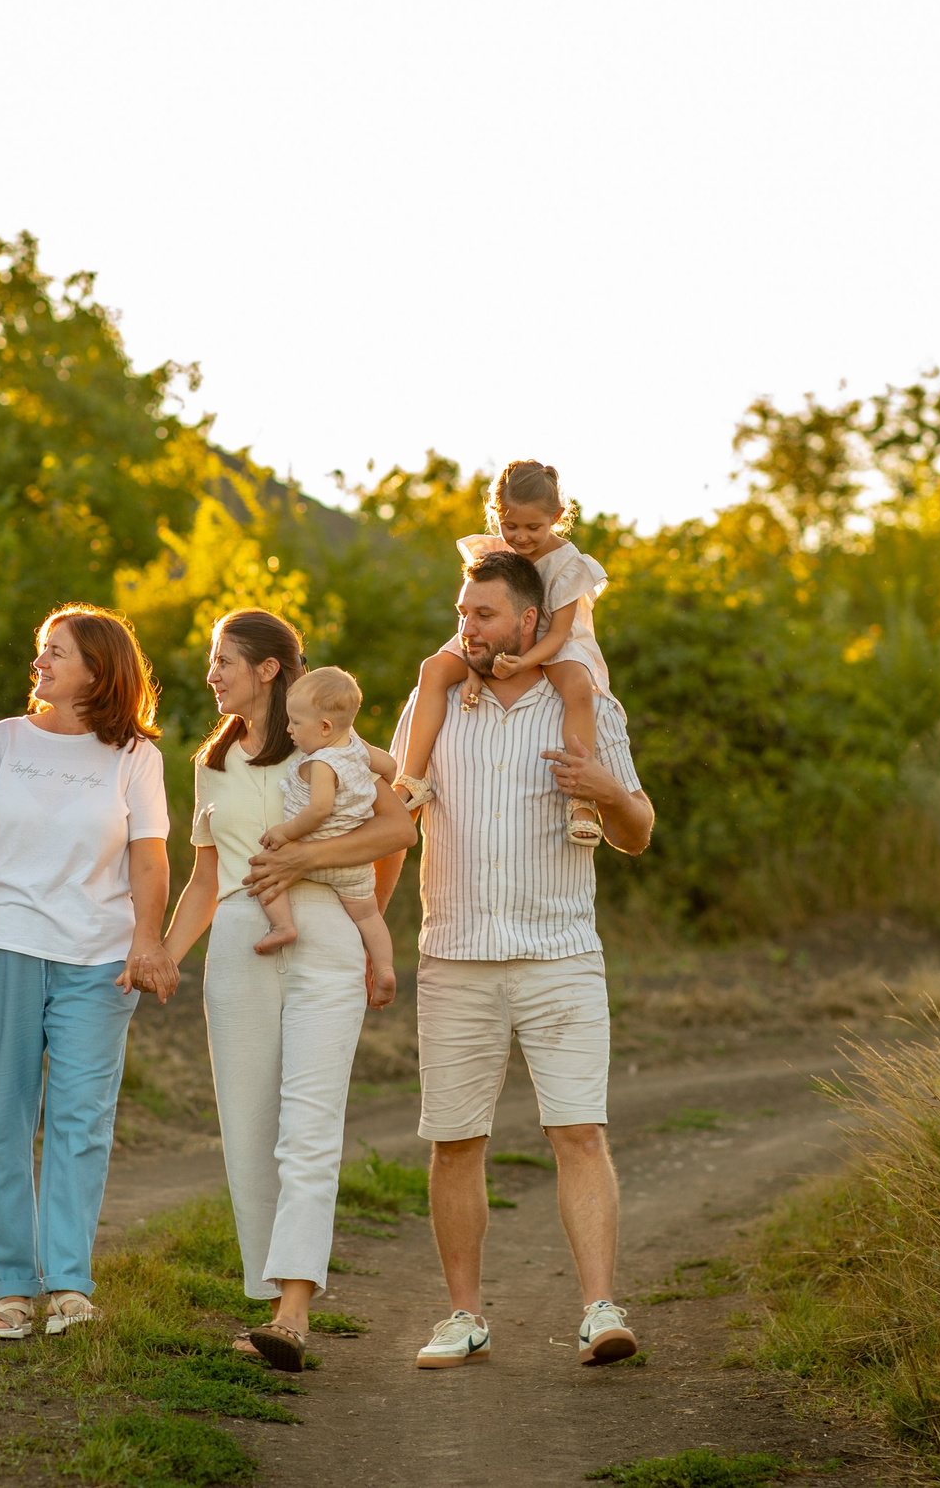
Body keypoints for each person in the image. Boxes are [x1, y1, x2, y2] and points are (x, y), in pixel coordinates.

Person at [381, 548, 655, 1371]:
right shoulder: (436, 699)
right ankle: (463, 1315)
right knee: (456, 1140)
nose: (468, 626)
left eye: (485, 614)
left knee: (579, 1130)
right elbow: (399, 808)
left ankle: (599, 1309)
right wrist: (370, 924)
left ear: (530, 623)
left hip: (560, 953)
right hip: (455, 955)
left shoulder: (587, 703)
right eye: (463, 612)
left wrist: (605, 790)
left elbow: (638, 830)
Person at [160, 611, 416, 1373]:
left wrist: (317, 871)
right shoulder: (211, 762)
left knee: (309, 1121)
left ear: (271, 668)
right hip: (240, 941)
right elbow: (205, 879)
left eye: (225, 660)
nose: (212, 673)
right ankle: (269, 1294)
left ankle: (294, 1309)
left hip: (326, 937)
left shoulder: (330, 744)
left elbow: (398, 827)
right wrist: (165, 957)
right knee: (247, 1127)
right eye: (212, 661)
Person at [0, 605, 179, 1342]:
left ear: (97, 670)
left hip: (100, 960)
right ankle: (11, 1285)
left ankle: (68, 1281)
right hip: (0, 941)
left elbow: (149, 856)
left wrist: (147, 937)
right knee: (2, 1116)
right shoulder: (1, 742)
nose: (38, 663)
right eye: (41, 651)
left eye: (54, 653)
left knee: (80, 1118)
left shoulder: (135, 754)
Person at [392, 461, 615, 844]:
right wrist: (478, 669)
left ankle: (581, 800)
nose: (520, 537)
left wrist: (522, 664)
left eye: (533, 528)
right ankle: (412, 779)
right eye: (510, 526)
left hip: (552, 641)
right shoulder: (497, 548)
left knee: (577, 684)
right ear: (496, 515)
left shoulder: (567, 565)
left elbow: (559, 631)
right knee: (433, 669)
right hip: (498, 636)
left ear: (557, 517)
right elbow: (476, 615)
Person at [249, 666, 402, 994]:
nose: (289, 729)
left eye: (296, 723)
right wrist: (370, 784)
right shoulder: (357, 750)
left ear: (325, 727)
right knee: (368, 916)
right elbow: (390, 766)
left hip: (315, 849)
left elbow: (319, 810)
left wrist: (286, 833)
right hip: (354, 864)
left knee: (264, 867)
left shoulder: (321, 762)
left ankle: (283, 926)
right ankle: (385, 970)